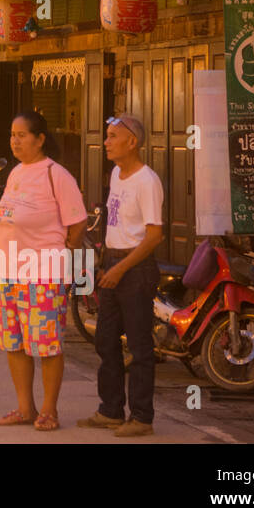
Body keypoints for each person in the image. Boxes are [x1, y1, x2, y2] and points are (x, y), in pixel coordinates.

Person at [0, 110, 87, 432]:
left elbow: (77, 221)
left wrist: (60, 253)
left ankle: (49, 410)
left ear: (40, 139)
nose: (15, 141)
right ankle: (24, 408)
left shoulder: (56, 175)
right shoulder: (16, 173)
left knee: (46, 344)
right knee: (14, 343)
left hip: (43, 275)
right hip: (8, 273)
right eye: (12, 135)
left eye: (22, 135)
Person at [78, 114, 164, 437]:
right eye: (107, 136)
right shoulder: (116, 174)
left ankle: (142, 416)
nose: (106, 142)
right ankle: (111, 409)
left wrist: (120, 267)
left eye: (114, 136)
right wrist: (106, 262)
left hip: (135, 268)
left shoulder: (147, 181)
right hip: (113, 263)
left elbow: (154, 236)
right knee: (105, 339)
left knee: (140, 346)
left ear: (133, 142)